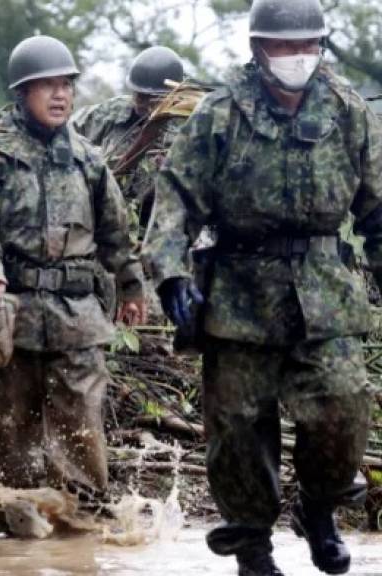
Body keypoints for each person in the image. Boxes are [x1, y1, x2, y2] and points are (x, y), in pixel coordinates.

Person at [142, 0, 381, 573]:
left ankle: (319, 508)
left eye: (308, 45)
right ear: (258, 49)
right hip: (240, 295)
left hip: (327, 295)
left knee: (343, 414)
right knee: (240, 431)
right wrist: (171, 272)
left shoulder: (348, 111)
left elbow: (378, 209)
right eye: (284, 46)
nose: (298, 57)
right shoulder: (220, 114)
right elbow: (174, 199)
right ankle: (252, 546)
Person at [0, 35, 145, 504]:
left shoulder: (89, 160)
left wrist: (132, 286)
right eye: (47, 86)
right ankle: (17, 527)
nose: (60, 95)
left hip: (76, 316)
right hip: (9, 314)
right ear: (22, 94)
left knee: (81, 428)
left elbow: (115, 232)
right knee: (10, 433)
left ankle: (83, 528)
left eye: (66, 85)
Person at [72, 45, 186, 228]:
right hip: (106, 221)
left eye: (150, 97)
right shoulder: (111, 112)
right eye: (138, 94)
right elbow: (67, 135)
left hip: (157, 229)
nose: (141, 102)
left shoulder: (185, 128)